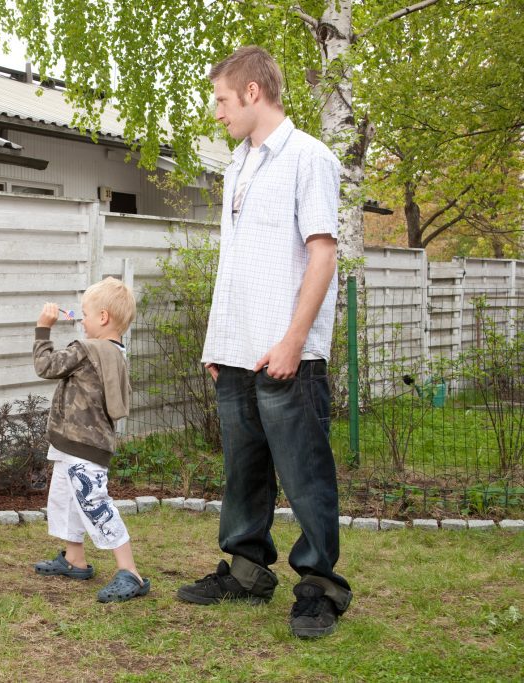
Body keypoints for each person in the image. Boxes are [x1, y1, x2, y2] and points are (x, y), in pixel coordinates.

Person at [174, 46, 353, 638]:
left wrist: (293, 341)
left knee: (305, 474)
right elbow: (236, 263)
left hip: (286, 353)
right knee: (243, 470)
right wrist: (216, 339)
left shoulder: (309, 157)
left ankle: (321, 589)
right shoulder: (237, 167)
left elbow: (323, 253)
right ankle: (247, 572)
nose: (217, 112)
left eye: (222, 100)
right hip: (236, 350)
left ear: (252, 93)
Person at [32, 277, 150, 603]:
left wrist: (43, 328)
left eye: (85, 314)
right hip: (81, 443)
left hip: (80, 444)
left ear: (103, 317)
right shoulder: (115, 352)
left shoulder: (86, 350)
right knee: (66, 499)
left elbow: (45, 365)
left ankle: (131, 572)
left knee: (94, 503)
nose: (81, 320)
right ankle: (74, 559)